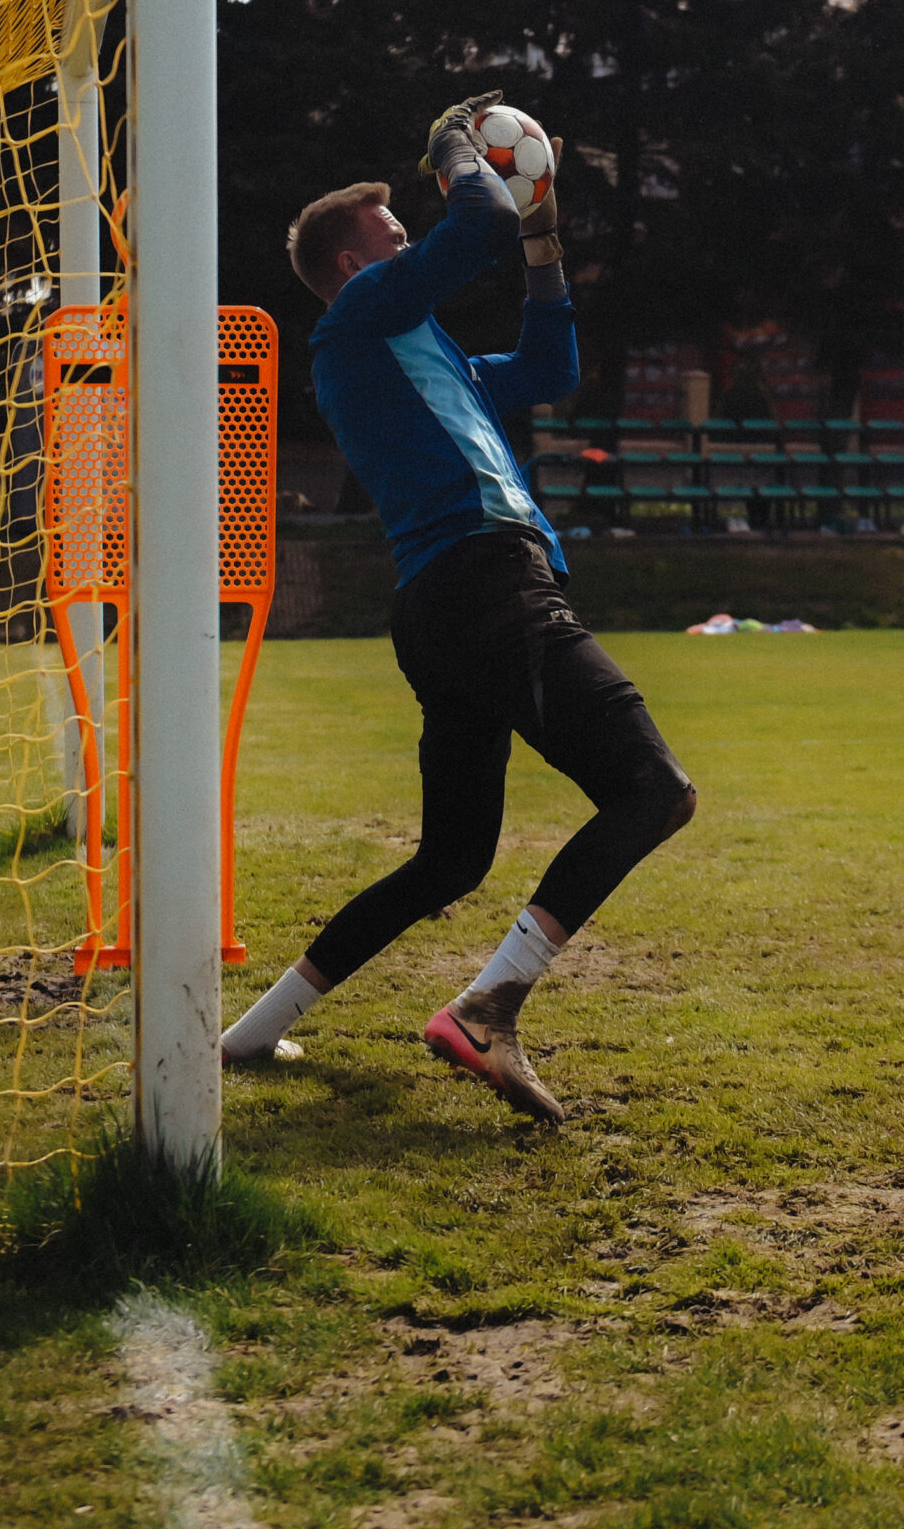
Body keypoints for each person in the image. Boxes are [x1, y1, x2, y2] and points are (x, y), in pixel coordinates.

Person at [220, 94, 695, 1126]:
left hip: (449, 606)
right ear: (353, 265)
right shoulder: (358, 320)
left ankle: (250, 1032)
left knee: (451, 859)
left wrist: (543, 241)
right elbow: (473, 222)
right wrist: (453, 146)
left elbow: (554, 367)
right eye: (396, 237)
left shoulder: (420, 352)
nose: (414, 245)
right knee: (653, 790)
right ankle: (486, 1008)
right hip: (486, 588)